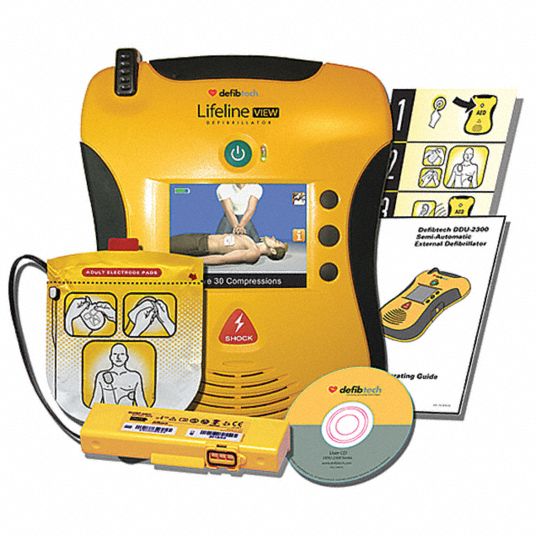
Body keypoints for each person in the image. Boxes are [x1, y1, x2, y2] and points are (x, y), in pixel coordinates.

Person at [170, 233, 288, 266]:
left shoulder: (253, 253)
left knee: (165, 246)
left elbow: (223, 259)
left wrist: (196, 261)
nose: (273, 237)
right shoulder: (253, 244)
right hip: (202, 238)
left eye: (276, 242)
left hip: (199, 246)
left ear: (273, 251)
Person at [89, 343, 148, 407]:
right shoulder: (101, 376)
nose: (118, 357)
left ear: (126, 357)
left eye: (122, 354)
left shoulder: (135, 376)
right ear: (111, 357)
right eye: (115, 354)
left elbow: (141, 403)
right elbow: (95, 402)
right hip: (107, 412)